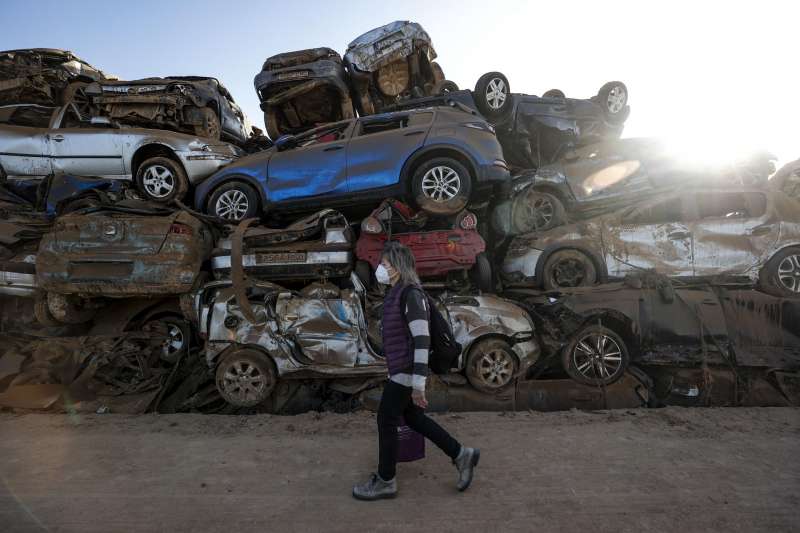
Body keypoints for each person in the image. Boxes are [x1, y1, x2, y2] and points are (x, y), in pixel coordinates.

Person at [353, 241, 479, 500]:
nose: (380, 268)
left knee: (386, 419)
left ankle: (386, 480)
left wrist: (418, 385)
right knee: (413, 419)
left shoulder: (411, 295)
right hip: (403, 370)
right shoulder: (398, 292)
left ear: (397, 267)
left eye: (385, 264)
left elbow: (422, 340)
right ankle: (461, 454)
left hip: (408, 372)